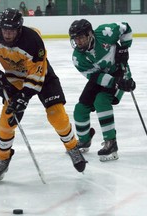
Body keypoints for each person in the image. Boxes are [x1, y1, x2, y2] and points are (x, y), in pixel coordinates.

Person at [0, 8, 87, 183]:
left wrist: (24, 97)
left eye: (12, 30)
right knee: (7, 120)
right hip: (14, 79)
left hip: (43, 77)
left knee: (56, 115)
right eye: (5, 30)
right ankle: (3, 158)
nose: (8, 34)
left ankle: (73, 148)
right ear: (0, 28)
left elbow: (37, 75)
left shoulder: (33, 41)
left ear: (20, 28)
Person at [68, 19, 136, 162]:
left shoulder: (105, 33)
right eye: (75, 38)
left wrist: (124, 47)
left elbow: (125, 27)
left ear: (90, 34)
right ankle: (84, 140)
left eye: (81, 37)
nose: (78, 42)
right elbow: (96, 77)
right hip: (101, 78)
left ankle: (111, 142)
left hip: (119, 72)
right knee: (80, 109)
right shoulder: (78, 58)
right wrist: (116, 83)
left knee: (101, 101)